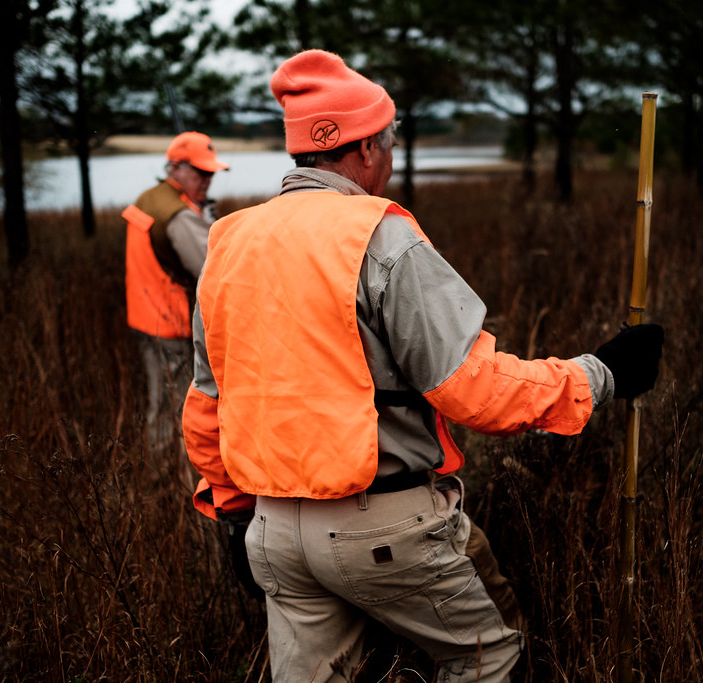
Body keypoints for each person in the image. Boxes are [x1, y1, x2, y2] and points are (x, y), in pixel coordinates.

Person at [182, 50, 664, 682]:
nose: (388, 157)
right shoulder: (381, 236)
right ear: (366, 148)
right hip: (381, 529)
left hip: (272, 532)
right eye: (389, 141)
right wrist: (599, 374)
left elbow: (208, 403)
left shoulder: (229, 240)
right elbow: (474, 390)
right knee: (489, 658)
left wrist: (235, 514)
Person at [122, 131, 228, 479]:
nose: (206, 180)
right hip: (172, 324)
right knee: (182, 407)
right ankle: (180, 479)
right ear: (176, 168)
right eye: (200, 172)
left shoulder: (150, 198)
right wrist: (207, 224)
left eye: (210, 174)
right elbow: (211, 269)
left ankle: (158, 476)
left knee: (162, 401)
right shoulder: (180, 216)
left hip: (145, 317)